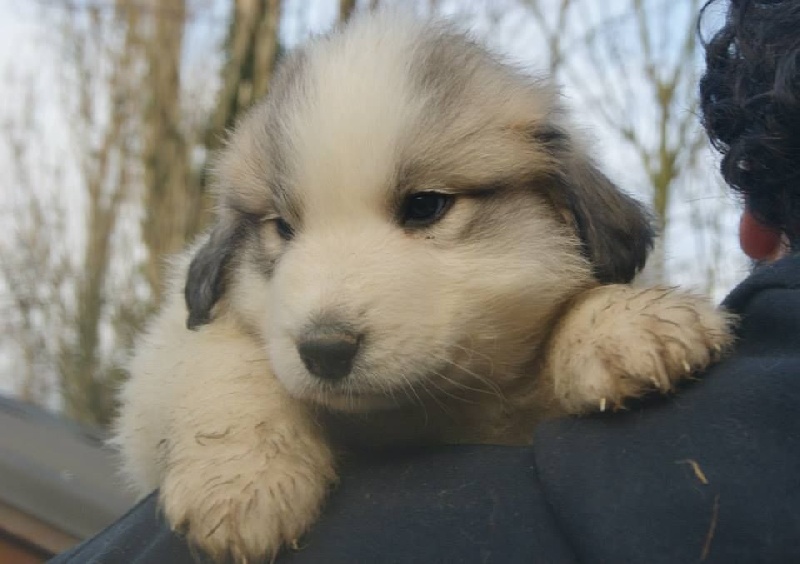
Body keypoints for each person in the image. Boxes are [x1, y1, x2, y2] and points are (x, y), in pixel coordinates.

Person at [51, 0, 800, 562]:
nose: (325, 312)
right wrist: (238, 416)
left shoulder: (593, 259)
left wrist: (588, 320)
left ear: (567, 209)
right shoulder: (237, 307)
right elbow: (164, 393)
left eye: (424, 206)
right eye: (285, 225)